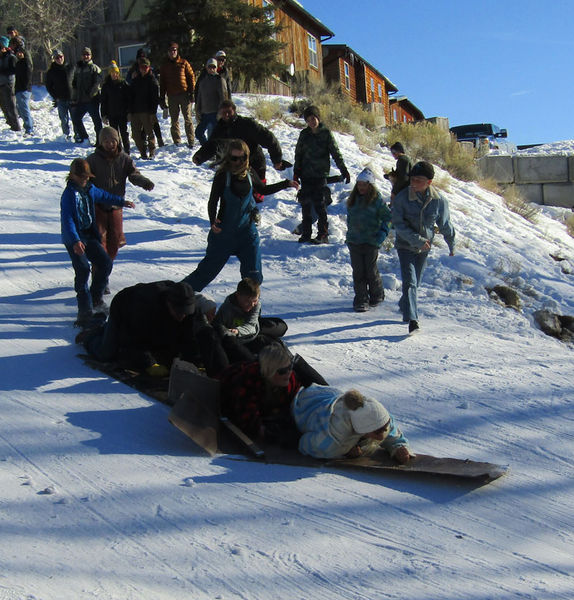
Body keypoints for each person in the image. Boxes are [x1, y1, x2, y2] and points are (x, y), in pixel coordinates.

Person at [182, 139, 299, 291]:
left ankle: (250, 310)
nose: (239, 162)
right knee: (204, 273)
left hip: (247, 232)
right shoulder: (222, 175)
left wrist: (286, 183)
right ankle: (175, 295)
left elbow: (263, 189)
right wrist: (213, 222)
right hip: (224, 233)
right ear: (228, 158)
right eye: (234, 158)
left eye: (242, 158)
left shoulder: (249, 172)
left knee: (253, 278)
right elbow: (213, 201)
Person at [81, 280, 221, 375]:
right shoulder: (144, 308)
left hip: (148, 317)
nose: (182, 316)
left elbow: (188, 337)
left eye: (185, 312)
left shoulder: (190, 309)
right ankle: (91, 333)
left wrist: (196, 361)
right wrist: (149, 363)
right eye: (178, 312)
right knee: (107, 354)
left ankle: (104, 327)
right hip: (124, 306)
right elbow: (133, 339)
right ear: (168, 303)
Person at [60, 158, 134, 326]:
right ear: (72, 176)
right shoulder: (69, 195)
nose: (84, 180)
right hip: (74, 239)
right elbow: (68, 220)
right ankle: (84, 311)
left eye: (86, 177)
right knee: (83, 270)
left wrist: (122, 202)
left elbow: (104, 195)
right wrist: (75, 241)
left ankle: (95, 297)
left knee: (105, 262)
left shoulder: (90, 189)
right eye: (81, 177)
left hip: (89, 235)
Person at [391, 160, 455, 334]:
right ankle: (413, 320)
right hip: (405, 245)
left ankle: (405, 305)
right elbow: (397, 223)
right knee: (410, 282)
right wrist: (416, 240)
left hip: (424, 249)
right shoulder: (403, 197)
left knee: (416, 283)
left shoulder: (439, 200)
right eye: (412, 179)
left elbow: (445, 224)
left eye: (418, 180)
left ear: (429, 183)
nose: (413, 183)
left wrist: (451, 244)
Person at [86, 126, 154, 278]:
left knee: (114, 242)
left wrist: (144, 182)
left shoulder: (124, 159)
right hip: (98, 206)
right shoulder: (92, 160)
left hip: (116, 206)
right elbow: (85, 178)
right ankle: (99, 274)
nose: (110, 144)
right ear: (100, 143)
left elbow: (133, 174)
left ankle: (105, 271)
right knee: (100, 241)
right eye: (106, 141)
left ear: (117, 141)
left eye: (113, 141)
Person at [292, 386, 412, 461]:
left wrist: (398, 447)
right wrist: (344, 451)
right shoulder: (333, 437)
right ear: (363, 430)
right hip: (303, 404)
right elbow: (305, 444)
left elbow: (388, 428)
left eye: (384, 427)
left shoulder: (372, 415)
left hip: (328, 394)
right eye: (377, 432)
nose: (382, 434)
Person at [192, 99, 285, 194]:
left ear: (234, 110)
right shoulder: (219, 128)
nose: (226, 115)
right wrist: (200, 157)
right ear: (219, 113)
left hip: (255, 165)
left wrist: (277, 159)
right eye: (224, 113)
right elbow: (212, 145)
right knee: (235, 196)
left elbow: (269, 139)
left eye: (229, 112)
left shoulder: (247, 125)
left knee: (256, 195)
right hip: (233, 167)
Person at [218, 343, 303, 445]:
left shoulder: (290, 380)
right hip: (227, 381)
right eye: (282, 371)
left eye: (290, 366)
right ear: (270, 371)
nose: (289, 372)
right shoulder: (248, 383)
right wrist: (270, 434)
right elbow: (247, 420)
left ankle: (228, 338)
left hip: (256, 370)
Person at [293, 105, 350, 244]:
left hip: (320, 175)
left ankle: (323, 234)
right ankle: (306, 234)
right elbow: (298, 154)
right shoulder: (304, 135)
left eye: (313, 118)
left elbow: (335, 153)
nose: (311, 122)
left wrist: (344, 170)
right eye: (308, 120)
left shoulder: (326, 134)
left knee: (320, 205)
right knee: (306, 205)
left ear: (318, 118)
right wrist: (296, 172)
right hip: (306, 175)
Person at [212, 277, 287, 366]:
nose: (251, 305)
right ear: (237, 295)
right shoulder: (226, 310)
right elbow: (217, 328)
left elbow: (251, 325)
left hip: (253, 327)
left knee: (282, 327)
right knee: (270, 342)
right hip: (243, 338)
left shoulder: (256, 304)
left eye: (254, 301)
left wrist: (238, 331)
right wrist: (233, 332)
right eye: (247, 301)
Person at [346, 168, 392, 312]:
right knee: (358, 271)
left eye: (364, 185)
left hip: (371, 241)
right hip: (354, 241)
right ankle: (361, 299)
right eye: (359, 185)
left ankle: (377, 294)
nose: (361, 188)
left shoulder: (377, 201)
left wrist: (381, 235)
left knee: (370, 270)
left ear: (370, 185)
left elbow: (388, 218)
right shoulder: (353, 200)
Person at [159, 42, 195, 147]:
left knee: (187, 119)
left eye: (174, 50)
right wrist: (162, 97)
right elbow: (162, 83)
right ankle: (177, 141)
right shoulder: (165, 66)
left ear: (177, 51)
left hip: (184, 94)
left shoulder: (184, 63)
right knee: (174, 120)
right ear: (168, 52)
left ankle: (191, 140)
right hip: (172, 96)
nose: (172, 52)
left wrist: (192, 92)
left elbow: (191, 77)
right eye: (170, 50)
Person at [126, 49, 164, 147]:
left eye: (143, 57)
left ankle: (159, 139)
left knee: (153, 122)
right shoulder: (134, 69)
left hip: (149, 101)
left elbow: (155, 80)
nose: (141, 60)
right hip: (138, 101)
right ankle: (143, 141)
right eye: (140, 58)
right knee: (140, 125)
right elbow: (128, 81)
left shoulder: (149, 68)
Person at [128, 57, 160, 159]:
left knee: (150, 133)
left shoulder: (152, 80)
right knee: (135, 135)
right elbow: (130, 96)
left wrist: (152, 112)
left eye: (145, 67)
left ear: (149, 67)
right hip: (135, 111)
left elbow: (155, 99)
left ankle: (152, 151)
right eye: (142, 67)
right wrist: (130, 111)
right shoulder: (135, 80)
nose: (143, 69)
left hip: (147, 112)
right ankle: (142, 152)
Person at [71, 47, 103, 144]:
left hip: (92, 100)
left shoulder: (94, 68)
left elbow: (97, 83)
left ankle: (99, 141)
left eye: (87, 55)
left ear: (91, 56)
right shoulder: (79, 68)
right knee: (76, 119)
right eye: (84, 55)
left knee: (96, 122)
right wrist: (74, 98)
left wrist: (91, 94)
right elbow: (75, 84)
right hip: (81, 100)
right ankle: (84, 138)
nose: (86, 56)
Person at [194, 58, 228, 146]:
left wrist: (221, 113)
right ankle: (207, 149)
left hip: (215, 113)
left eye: (214, 67)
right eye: (210, 67)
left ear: (216, 68)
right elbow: (199, 97)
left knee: (214, 136)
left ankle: (213, 153)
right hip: (205, 113)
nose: (212, 69)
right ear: (206, 67)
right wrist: (198, 110)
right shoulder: (203, 80)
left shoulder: (220, 80)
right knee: (198, 133)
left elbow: (223, 98)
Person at [100, 60, 131, 153]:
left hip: (122, 113)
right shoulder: (106, 86)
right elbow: (103, 102)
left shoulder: (123, 84)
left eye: (116, 73)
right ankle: (118, 150)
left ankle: (127, 150)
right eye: (112, 73)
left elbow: (129, 99)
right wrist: (103, 115)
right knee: (114, 134)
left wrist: (129, 112)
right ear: (110, 74)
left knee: (124, 133)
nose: (114, 75)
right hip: (111, 113)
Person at [45, 49, 75, 140]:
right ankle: (66, 135)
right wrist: (55, 97)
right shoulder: (51, 71)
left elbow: (77, 81)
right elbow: (49, 86)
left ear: (63, 56)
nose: (59, 59)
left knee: (75, 119)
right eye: (57, 58)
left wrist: (76, 94)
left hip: (72, 97)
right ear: (54, 59)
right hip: (61, 99)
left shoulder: (71, 67)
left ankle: (78, 134)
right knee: (64, 119)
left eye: (61, 56)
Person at [0, 36, 20, 132]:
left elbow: (13, 70)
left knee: (11, 107)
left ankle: (16, 127)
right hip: (0, 84)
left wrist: (2, 72)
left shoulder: (11, 57)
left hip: (8, 84)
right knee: (4, 107)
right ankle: (11, 125)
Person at [13, 40, 33, 135]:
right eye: (18, 53)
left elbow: (28, 77)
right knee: (21, 109)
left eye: (21, 52)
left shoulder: (26, 63)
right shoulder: (18, 63)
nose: (19, 54)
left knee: (25, 110)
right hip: (18, 89)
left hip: (24, 89)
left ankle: (29, 129)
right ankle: (28, 126)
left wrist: (25, 87)